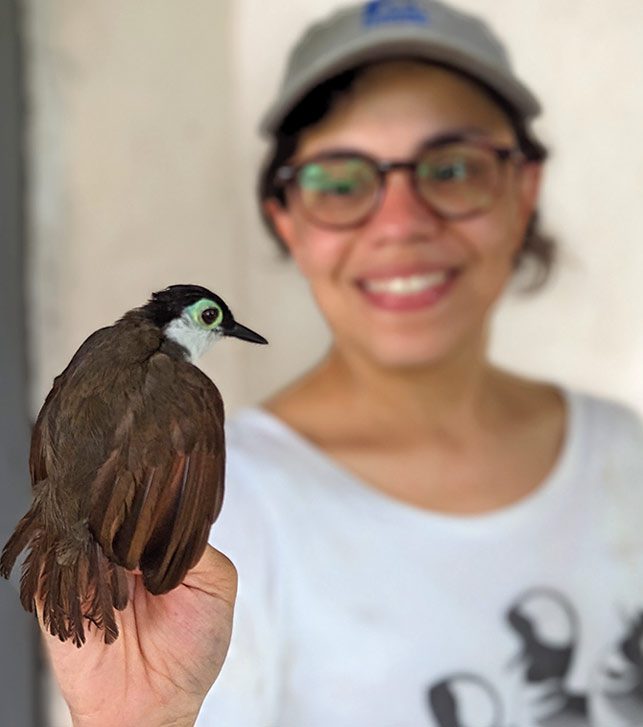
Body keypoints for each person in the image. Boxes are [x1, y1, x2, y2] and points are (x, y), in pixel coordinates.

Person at [41, 2, 643, 726]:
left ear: (524, 191)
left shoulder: (625, 453)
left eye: (451, 167)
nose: (400, 223)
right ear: (286, 217)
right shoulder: (216, 510)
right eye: (339, 179)